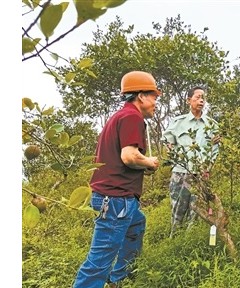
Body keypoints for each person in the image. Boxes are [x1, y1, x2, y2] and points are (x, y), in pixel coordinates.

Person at [73, 71, 161, 288]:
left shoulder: (120, 116)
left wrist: (143, 166)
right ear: (141, 96)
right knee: (99, 262)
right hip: (115, 200)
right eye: (154, 97)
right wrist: (149, 162)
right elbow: (129, 156)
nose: (156, 103)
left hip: (114, 198)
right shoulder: (132, 117)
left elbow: (124, 158)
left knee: (137, 224)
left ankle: (118, 278)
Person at [161, 86, 221, 238]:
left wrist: (207, 168)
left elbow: (215, 149)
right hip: (180, 173)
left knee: (197, 209)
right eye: (197, 97)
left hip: (200, 174)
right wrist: (172, 150)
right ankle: (174, 240)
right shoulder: (178, 122)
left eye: (203, 98)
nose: (201, 100)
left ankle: (189, 241)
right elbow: (167, 141)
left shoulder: (211, 125)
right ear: (189, 100)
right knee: (178, 208)